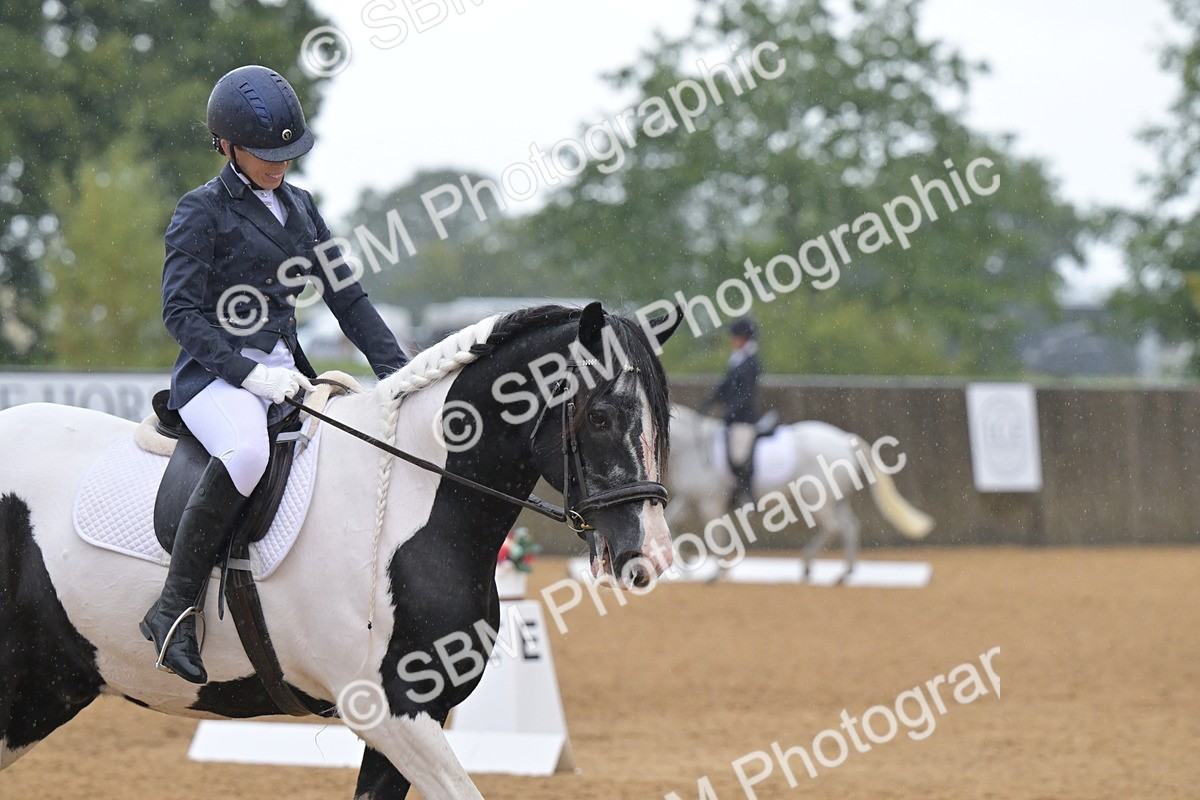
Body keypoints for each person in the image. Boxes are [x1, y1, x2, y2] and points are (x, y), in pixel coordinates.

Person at [141, 65, 408, 684]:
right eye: (264, 155)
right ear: (227, 146)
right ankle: (172, 608)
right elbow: (180, 314)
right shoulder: (200, 210)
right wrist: (246, 374)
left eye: (286, 155)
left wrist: (398, 371)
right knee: (246, 453)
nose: (277, 166)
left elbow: (347, 298)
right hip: (214, 376)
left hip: (288, 369)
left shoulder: (301, 208)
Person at [701, 316, 762, 510]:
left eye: (734, 336)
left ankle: (746, 493)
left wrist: (730, 411)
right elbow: (725, 386)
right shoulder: (736, 360)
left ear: (744, 338)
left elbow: (745, 394)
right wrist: (708, 403)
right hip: (732, 418)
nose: (731, 340)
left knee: (738, 455)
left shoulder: (752, 362)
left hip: (743, 419)